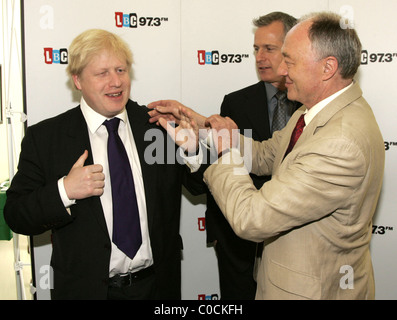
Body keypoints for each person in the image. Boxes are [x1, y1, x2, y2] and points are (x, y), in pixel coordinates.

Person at [149, 12, 385, 299]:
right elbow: (264, 154)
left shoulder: (340, 141)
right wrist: (204, 128)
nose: (282, 71)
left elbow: (252, 218)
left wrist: (223, 154)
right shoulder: (312, 112)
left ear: (327, 68)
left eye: (290, 60)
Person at [4, 29, 200, 300]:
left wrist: (193, 151)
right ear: (77, 80)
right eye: (102, 73)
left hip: (156, 288)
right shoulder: (47, 138)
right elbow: (16, 214)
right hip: (86, 291)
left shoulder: (156, 126)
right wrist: (64, 190)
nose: (115, 82)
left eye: (121, 70)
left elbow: (199, 186)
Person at [160, 12, 300, 300]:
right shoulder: (236, 102)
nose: (260, 57)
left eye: (269, 49)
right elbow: (217, 165)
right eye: (256, 49)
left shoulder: (310, 104)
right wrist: (196, 143)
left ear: (291, 49)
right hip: (240, 243)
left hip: (296, 239)